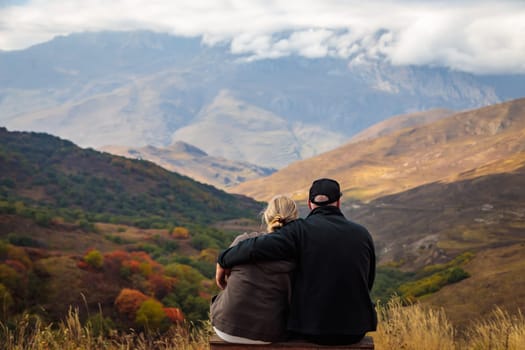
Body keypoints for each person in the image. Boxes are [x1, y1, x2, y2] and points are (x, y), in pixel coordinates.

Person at [216, 178, 377, 345]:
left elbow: (254, 247)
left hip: (312, 330)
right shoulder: (362, 234)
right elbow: (368, 281)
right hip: (356, 330)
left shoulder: (299, 230)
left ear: (309, 204)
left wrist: (223, 259)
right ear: (338, 202)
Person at [210, 195, 299, 344]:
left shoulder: (243, 241)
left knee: (220, 298)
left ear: (266, 216)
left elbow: (225, 280)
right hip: (269, 333)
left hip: (226, 328)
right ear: (295, 220)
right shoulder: (297, 252)